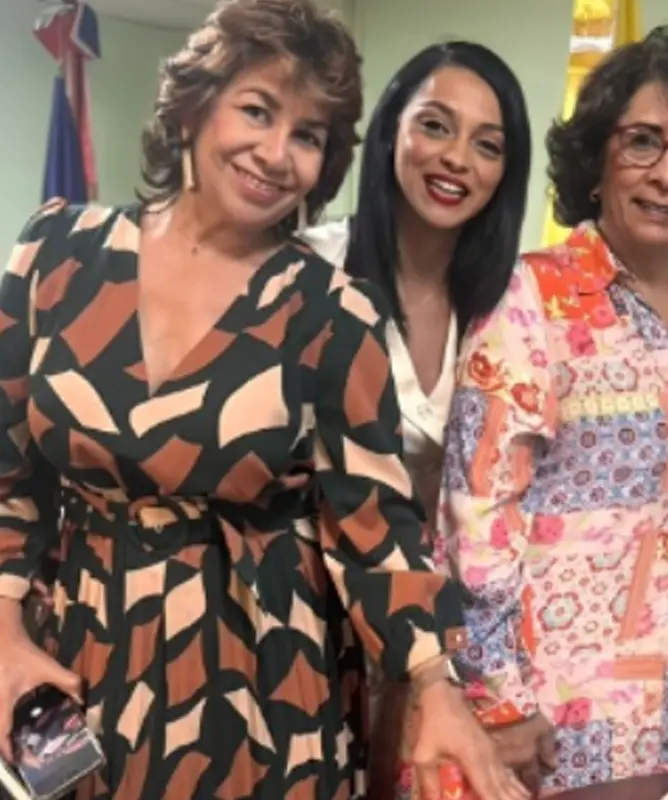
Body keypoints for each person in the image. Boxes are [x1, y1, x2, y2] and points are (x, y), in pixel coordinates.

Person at [0, 2, 528, 798]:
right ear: (192, 107)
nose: (277, 154)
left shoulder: (331, 311)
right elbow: (8, 469)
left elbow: (373, 524)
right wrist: (4, 630)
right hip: (79, 652)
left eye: (308, 135)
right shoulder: (56, 255)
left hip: (259, 685)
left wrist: (435, 686)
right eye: (257, 111)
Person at [434, 24, 668, 795]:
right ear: (597, 157)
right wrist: (501, 702)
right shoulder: (530, 298)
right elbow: (475, 518)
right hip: (546, 716)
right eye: (642, 142)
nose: (667, 174)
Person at [299, 41, 532, 797]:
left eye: (488, 145)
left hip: (443, 635)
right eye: (435, 125)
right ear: (391, 129)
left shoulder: (510, 306)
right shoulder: (310, 269)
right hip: (309, 613)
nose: (457, 158)